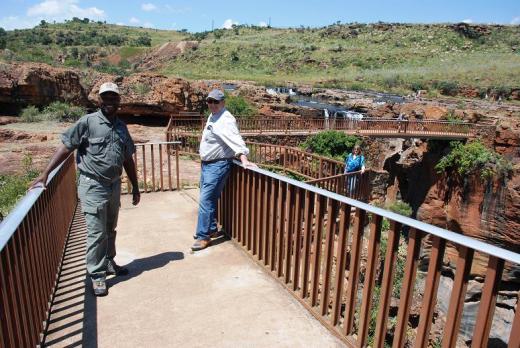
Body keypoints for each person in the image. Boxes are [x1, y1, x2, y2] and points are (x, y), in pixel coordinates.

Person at [30, 82, 140, 296]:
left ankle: (109, 262)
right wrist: (46, 173)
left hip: (114, 185)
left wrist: (135, 186)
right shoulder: (87, 123)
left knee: (110, 229)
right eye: (105, 98)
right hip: (93, 185)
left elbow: (128, 159)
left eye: (113, 98)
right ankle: (97, 275)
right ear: (99, 100)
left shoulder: (121, 127)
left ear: (119, 101)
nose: (109, 101)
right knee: (96, 232)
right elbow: (66, 146)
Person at [192, 89, 256, 251]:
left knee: (205, 200)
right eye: (209, 101)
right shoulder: (213, 116)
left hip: (218, 165)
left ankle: (203, 236)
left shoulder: (226, 119)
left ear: (223, 103)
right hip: (208, 165)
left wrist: (243, 158)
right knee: (208, 198)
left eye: (215, 102)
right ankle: (211, 228)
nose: (212, 104)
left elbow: (235, 139)